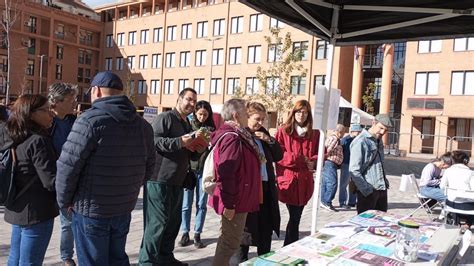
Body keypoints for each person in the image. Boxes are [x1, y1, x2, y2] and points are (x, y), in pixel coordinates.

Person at [56, 71, 156, 265]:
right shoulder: (143, 126)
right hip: (123, 208)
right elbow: (149, 166)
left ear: (97, 91)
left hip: (91, 211)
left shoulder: (89, 121)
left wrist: (64, 201)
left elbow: (67, 167)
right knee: (117, 259)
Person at [139, 88, 204, 266]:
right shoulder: (165, 118)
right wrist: (180, 142)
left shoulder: (187, 124)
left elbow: (184, 150)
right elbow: (153, 141)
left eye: (194, 101)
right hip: (159, 179)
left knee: (173, 224)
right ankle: (147, 262)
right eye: (189, 100)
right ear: (179, 99)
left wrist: (195, 149)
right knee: (156, 224)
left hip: (177, 180)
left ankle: (165, 257)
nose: (191, 104)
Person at [1, 95, 57, 265]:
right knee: (30, 262)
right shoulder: (38, 141)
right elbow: (50, 181)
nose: (51, 114)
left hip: (16, 205)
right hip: (37, 211)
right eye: (46, 110)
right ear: (31, 114)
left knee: (15, 259)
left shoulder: (11, 136)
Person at [210, 99, 262, 266]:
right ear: (236, 115)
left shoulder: (239, 134)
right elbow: (227, 173)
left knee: (228, 239)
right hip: (234, 200)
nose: (248, 117)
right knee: (230, 242)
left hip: (238, 197)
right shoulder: (233, 137)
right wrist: (230, 205)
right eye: (245, 114)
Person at [237, 102, 283, 262]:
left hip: (266, 189)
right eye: (257, 119)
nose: (260, 123)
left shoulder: (262, 135)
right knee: (245, 233)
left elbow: (278, 155)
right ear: (247, 117)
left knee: (266, 229)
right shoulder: (240, 135)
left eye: (263, 119)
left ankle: (264, 261)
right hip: (248, 191)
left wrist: (269, 140)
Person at [275, 99, 320, 246]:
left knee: (296, 217)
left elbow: (320, 153)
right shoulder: (284, 131)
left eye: (305, 112)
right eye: (299, 111)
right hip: (289, 181)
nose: (302, 115)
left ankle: (289, 245)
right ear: (293, 113)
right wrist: (300, 159)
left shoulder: (315, 133)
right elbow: (278, 154)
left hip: (305, 182)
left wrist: (313, 160)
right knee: (295, 218)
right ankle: (289, 245)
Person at [47, 82, 78, 266]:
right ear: (57, 102)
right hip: (49, 178)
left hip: (70, 178)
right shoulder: (47, 122)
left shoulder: (74, 121)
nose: (74, 102)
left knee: (68, 221)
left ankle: (67, 256)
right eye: (70, 99)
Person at [179, 100, 216, 248]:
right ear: (195, 113)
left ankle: (197, 233)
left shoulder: (211, 128)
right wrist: (194, 137)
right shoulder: (188, 125)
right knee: (186, 204)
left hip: (203, 170)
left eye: (205, 115)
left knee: (201, 204)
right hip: (189, 169)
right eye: (200, 114)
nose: (202, 117)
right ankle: (184, 232)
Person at [350, 114, 392, 214]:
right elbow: (354, 170)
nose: (382, 132)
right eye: (381, 128)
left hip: (381, 188)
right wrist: (366, 190)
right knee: (364, 224)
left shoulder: (378, 140)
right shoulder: (361, 141)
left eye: (385, 130)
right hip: (368, 190)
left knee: (380, 224)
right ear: (373, 123)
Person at [440, 150, 474, 227]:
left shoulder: (448, 171)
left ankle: (455, 222)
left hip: (451, 205)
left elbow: (442, 187)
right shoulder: (471, 173)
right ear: (466, 161)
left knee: (453, 199)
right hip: (468, 207)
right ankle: (468, 223)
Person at [320, 124, 345, 212]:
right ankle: (327, 202)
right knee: (332, 183)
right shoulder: (335, 139)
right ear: (339, 132)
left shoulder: (332, 138)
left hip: (329, 163)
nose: (343, 134)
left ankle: (323, 201)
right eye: (343, 132)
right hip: (330, 163)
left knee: (326, 183)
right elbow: (327, 150)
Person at [339, 124, 363, 209]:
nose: (360, 133)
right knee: (344, 184)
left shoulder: (359, 140)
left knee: (354, 183)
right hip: (346, 164)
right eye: (358, 132)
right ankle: (342, 202)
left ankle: (352, 202)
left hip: (355, 165)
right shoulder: (345, 140)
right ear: (353, 131)